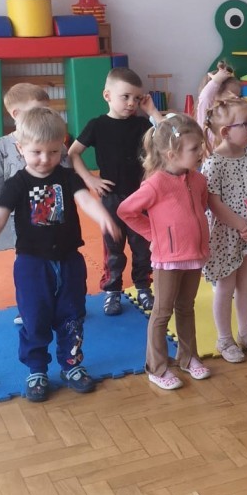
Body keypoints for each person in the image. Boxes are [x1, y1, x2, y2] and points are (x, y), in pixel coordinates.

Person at [0, 108, 120, 402]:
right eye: (36, 152)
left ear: (62, 147)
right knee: (34, 319)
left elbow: (85, 200)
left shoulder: (68, 177)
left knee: (73, 315)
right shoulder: (17, 184)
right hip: (32, 265)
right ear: (20, 148)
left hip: (70, 261)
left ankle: (71, 364)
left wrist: (103, 217)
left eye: (53, 151)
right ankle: (37, 369)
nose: (45, 159)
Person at [117, 115, 210, 390]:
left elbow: (201, 206)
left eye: (200, 146)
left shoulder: (198, 179)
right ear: (172, 154)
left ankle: (188, 357)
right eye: (194, 149)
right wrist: (153, 234)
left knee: (186, 307)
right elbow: (126, 211)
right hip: (167, 259)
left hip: (194, 254)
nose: (201, 152)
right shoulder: (155, 183)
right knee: (162, 312)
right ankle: (156, 367)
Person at [68, 66, 158, 317]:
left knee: (142, 246)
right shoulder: (97, 125)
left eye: (136, 98)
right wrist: (89, 179)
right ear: (107, 95)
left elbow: (169, 137)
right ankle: (113, 290)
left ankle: (143, 286)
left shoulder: (142, 124)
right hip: (112, 198)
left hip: (140, 198)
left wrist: (152, 111)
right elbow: (73, 153)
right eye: (125, 97)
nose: (131, 103)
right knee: (113, 247)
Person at [202, 96, 247, 363]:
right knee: (225, 286)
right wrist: (242, 225)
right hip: (226, 235)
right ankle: (224, 338)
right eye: (246, 124)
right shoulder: (214, 163)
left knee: (245, 284)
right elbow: (213, 202)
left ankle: (246, 333)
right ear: (225, 132)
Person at [0, 84, 74, 254]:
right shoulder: (3, 144)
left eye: (47, 110)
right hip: (18, 208)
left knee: (52, 243)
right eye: (38, 110)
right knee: (24, 247)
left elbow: (67, 170)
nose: (44, 116)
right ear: (16, 114)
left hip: (50, 201)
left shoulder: (54, 142)